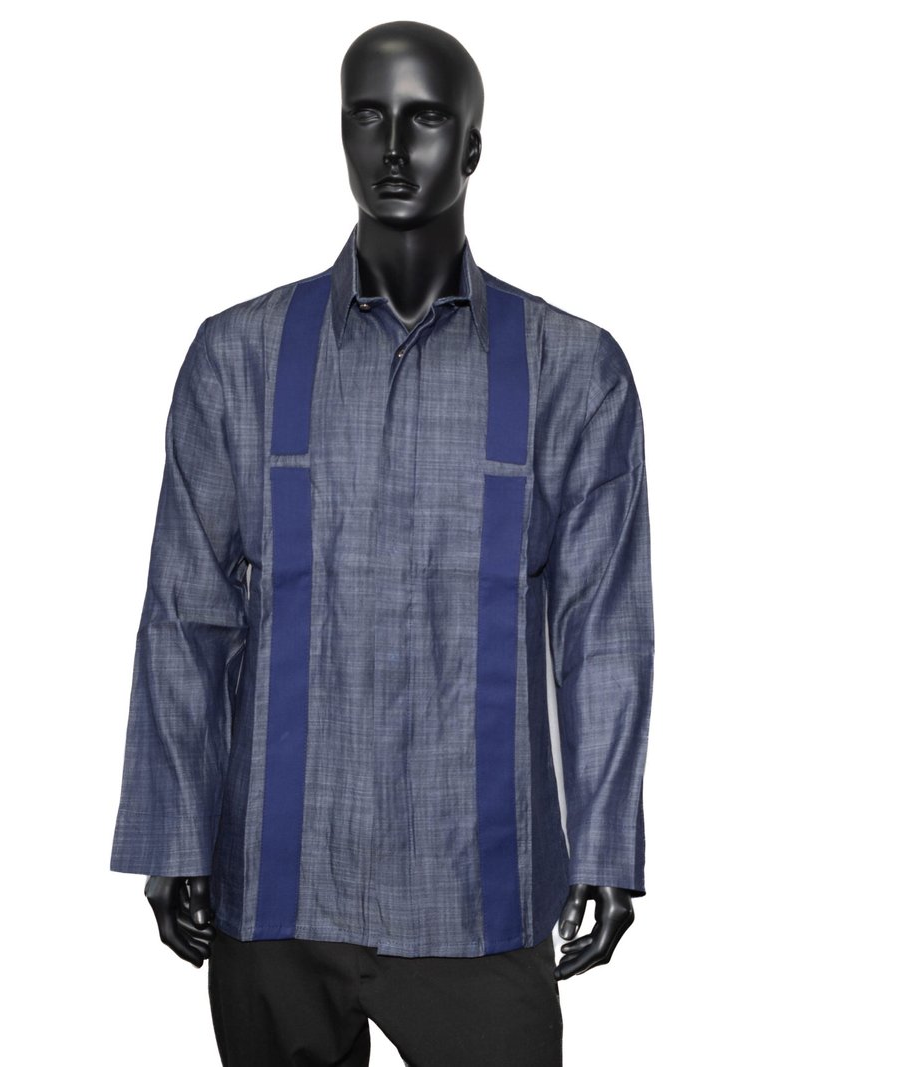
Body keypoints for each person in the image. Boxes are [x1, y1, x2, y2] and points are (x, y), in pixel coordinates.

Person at [109, 20, 655, 1065]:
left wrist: (605, 842)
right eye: (368, 116)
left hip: (477, 894)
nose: (394, 148)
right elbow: (186, 614)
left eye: (426, 119)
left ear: (474, 146)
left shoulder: (572, 369)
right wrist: (174, 831)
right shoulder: (238, 356)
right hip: (275, 889)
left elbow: (604, 633)